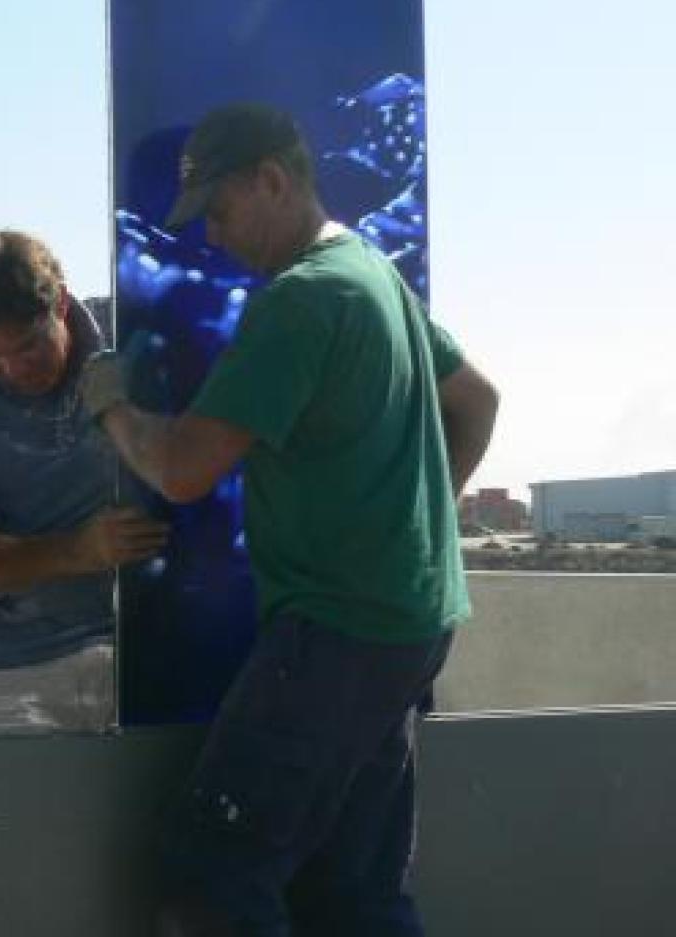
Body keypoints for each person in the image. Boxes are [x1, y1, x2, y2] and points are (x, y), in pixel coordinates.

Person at [78, 103, 500, 934]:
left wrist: (112, 408)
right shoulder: (372, 273)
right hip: (412, 623)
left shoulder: (299, 301)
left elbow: (184, 468)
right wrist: (411, 514)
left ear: (272, 178)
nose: (216, 238)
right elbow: (478, 401)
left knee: (212, 879)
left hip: (330, 634)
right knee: (354, 889)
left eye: (222, 212)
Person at [0, 230, 168, 735]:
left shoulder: (135, 332)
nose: (13, 371)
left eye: (28, 347)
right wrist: (80, 551)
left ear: (62, 304)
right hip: (23, 664)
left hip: (156, 649)